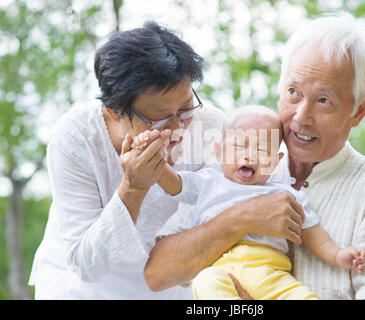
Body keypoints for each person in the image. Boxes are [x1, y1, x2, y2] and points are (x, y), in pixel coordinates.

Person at [144, 13, 365, 299]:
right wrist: (239, 218)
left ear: (359, 111)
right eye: (293, 92)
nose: (301, 117)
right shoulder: (230, 169)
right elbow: (157, 275)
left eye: (324, 100)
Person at [28, 21, 224, 299]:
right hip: (79, 289)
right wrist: (133, 189)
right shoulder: (75, 138)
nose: (178, 128)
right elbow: (85, 265)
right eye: (161, 119)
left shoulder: (210, 126)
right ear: (114, 112)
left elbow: (218, 217)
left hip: (166, 285)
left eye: (186, 108)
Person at [136, 105, 365, 300]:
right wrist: (154, 157)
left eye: (261, 149)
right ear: (219, 152)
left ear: (276, 162)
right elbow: (174, 184)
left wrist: (337, 254)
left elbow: (312, 231)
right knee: (205, 283)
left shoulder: (284, 193)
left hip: (268, 270)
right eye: (239, 146)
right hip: (219, 269)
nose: (249, 156)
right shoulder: (208, 181)